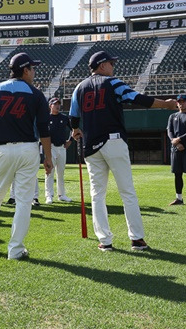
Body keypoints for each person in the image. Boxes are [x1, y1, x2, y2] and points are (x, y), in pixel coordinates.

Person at [69, 50, 176, 252]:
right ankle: (136, 239)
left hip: (91, 146)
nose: (113, 66)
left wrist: (75, 130)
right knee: (127, 192)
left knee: (97, 194)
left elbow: (73, 116)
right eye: (110, 63)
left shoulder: (79, 87)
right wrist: (166, 104)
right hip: (113, 142)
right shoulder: (113, 83)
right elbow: (137, 99)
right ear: (102, 66)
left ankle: (105, 240)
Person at [0, 52, 53, 260]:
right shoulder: (35, 93)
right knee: (24, 201)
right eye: (32, 69)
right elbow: (44, 129)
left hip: (2, 149)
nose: (34, 72)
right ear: (25, 70)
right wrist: (49, 157)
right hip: (28, 148)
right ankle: (15, 249)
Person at [45, 98, 73, 204]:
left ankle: (61, 195)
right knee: (49, 172)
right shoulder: (46, 118)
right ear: (50, 106)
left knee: (61, 172)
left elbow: (73, 129)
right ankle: (49, 195)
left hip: (62, 148)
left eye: (58, 104)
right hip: (50, 148)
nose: (57, 106)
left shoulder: (64, 118)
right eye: (55, 104)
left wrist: (70, 140)